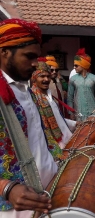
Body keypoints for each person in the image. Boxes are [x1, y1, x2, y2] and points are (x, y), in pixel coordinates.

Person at [0, 18, 57, 218]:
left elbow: (38, 137)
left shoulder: (28, 89)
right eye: (29, 56)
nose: (36, 64)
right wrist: (6, 188)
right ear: (4, 52)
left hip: (48, 193)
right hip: (13, 209)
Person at [31, 58, 77, 150]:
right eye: (42, 76)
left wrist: (76, 123)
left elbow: (58, 119)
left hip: (66, 141)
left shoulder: (50, 97)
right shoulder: (33, 99)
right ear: (34, 78)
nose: (46, 79)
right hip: (51, 147)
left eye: (48, 76)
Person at [67, 48, 95, 121]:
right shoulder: (73, 79)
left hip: (93, 112)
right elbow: (69, 97)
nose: (74, 67)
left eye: (76, 65)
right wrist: (70, 112)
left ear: (83, 65)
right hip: (79, 113)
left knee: (93, 131)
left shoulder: (94, 78)